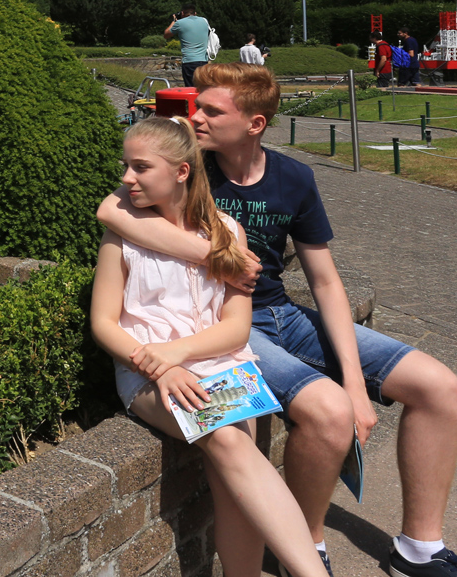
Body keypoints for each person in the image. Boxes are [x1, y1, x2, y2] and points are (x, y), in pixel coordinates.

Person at [98, 63, 457, 577]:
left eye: (211, 109)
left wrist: (358, 384)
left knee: (440, 387)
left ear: (255, 123)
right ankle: (306, 543)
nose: (196, 116)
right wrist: (217, 255)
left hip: (275, 315)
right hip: (229, 329)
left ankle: (420, 548)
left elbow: (324, 281)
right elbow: (111, 213)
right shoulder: (179, 166)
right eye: (197, 106)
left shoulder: (292, 177)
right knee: (322, 413)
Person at [92, 115, 328, 577]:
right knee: (228, 440)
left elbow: (236, 330)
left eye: (141, 167)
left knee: (237, 494)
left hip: (224, 363)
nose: (126, 178)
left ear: (182, 171)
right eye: (126, 165)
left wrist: (178, 355)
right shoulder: (121, 233)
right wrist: (161, 367)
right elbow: (103, 323)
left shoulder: (228, 233)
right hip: (145, 371)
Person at [165, 4, 212, 88]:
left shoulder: (179, 23)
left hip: (190, 62)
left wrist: (174, 20)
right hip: (204, 61)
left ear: (182, 13)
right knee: (203, 88)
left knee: (191, 89)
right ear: (195, 13)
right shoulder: (204, 21)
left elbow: (166, 34)